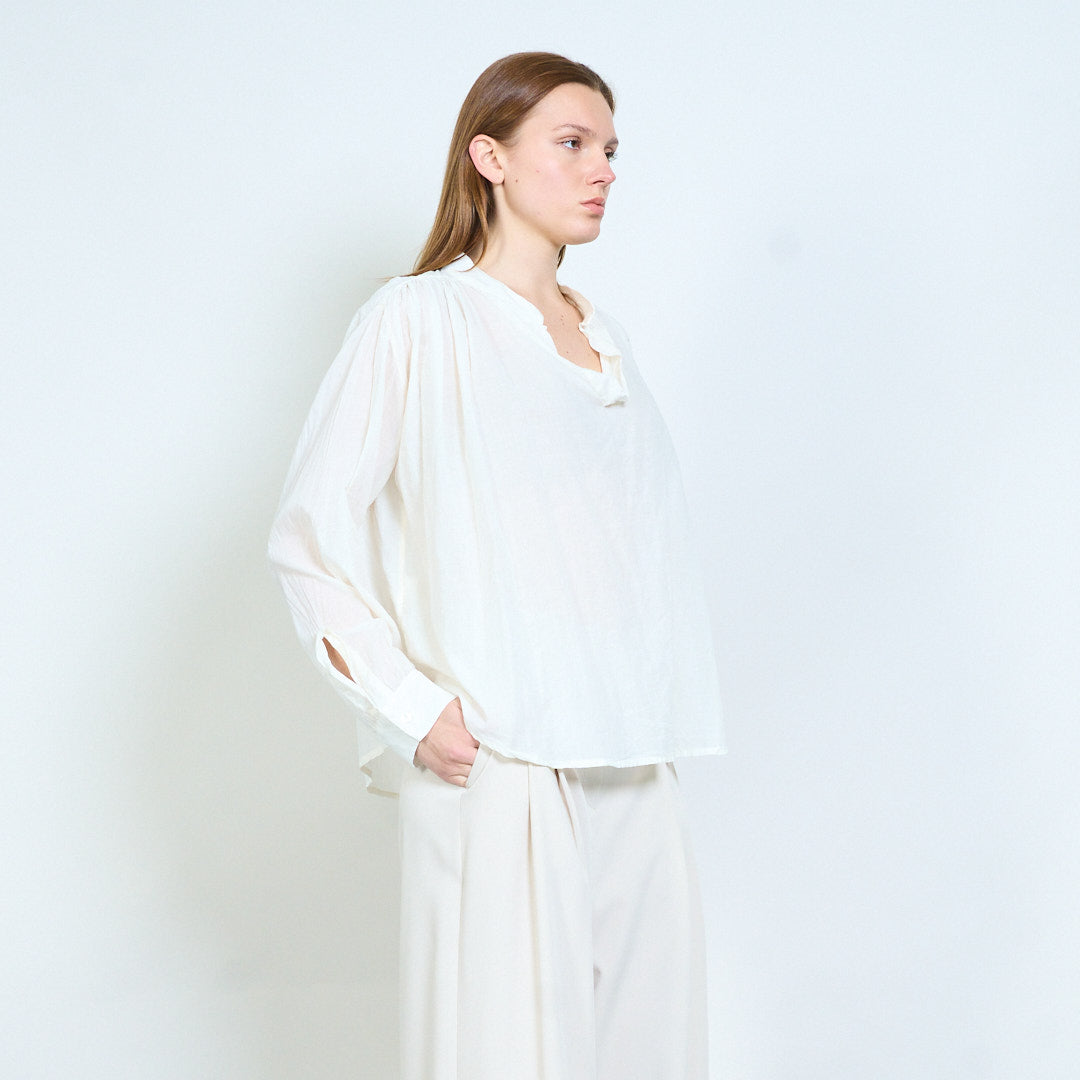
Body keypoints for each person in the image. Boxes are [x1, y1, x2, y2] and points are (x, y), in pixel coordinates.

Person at [268, 51, 725, 1080]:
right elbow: (307, 540)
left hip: (632, 756)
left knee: (652, 1054)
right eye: (572, 143)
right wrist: (413, 709)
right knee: (505, 1057)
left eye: (610, 149)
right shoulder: (419, 320)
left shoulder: (605, 339)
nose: (602, 169)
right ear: (492, 157)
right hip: (505, 759)